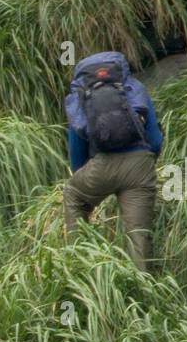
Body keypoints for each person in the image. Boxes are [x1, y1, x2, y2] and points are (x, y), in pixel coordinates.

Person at [62, 51, 164, 273]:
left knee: (73, 194)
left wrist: (86, 171)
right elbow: (155, 140)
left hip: (101, 165)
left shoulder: (81, 93)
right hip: (140, 165)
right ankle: (145, 290)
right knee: (139, 235)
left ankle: (77, 266)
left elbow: (76, 148)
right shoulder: (134, 88)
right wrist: (145, 160)